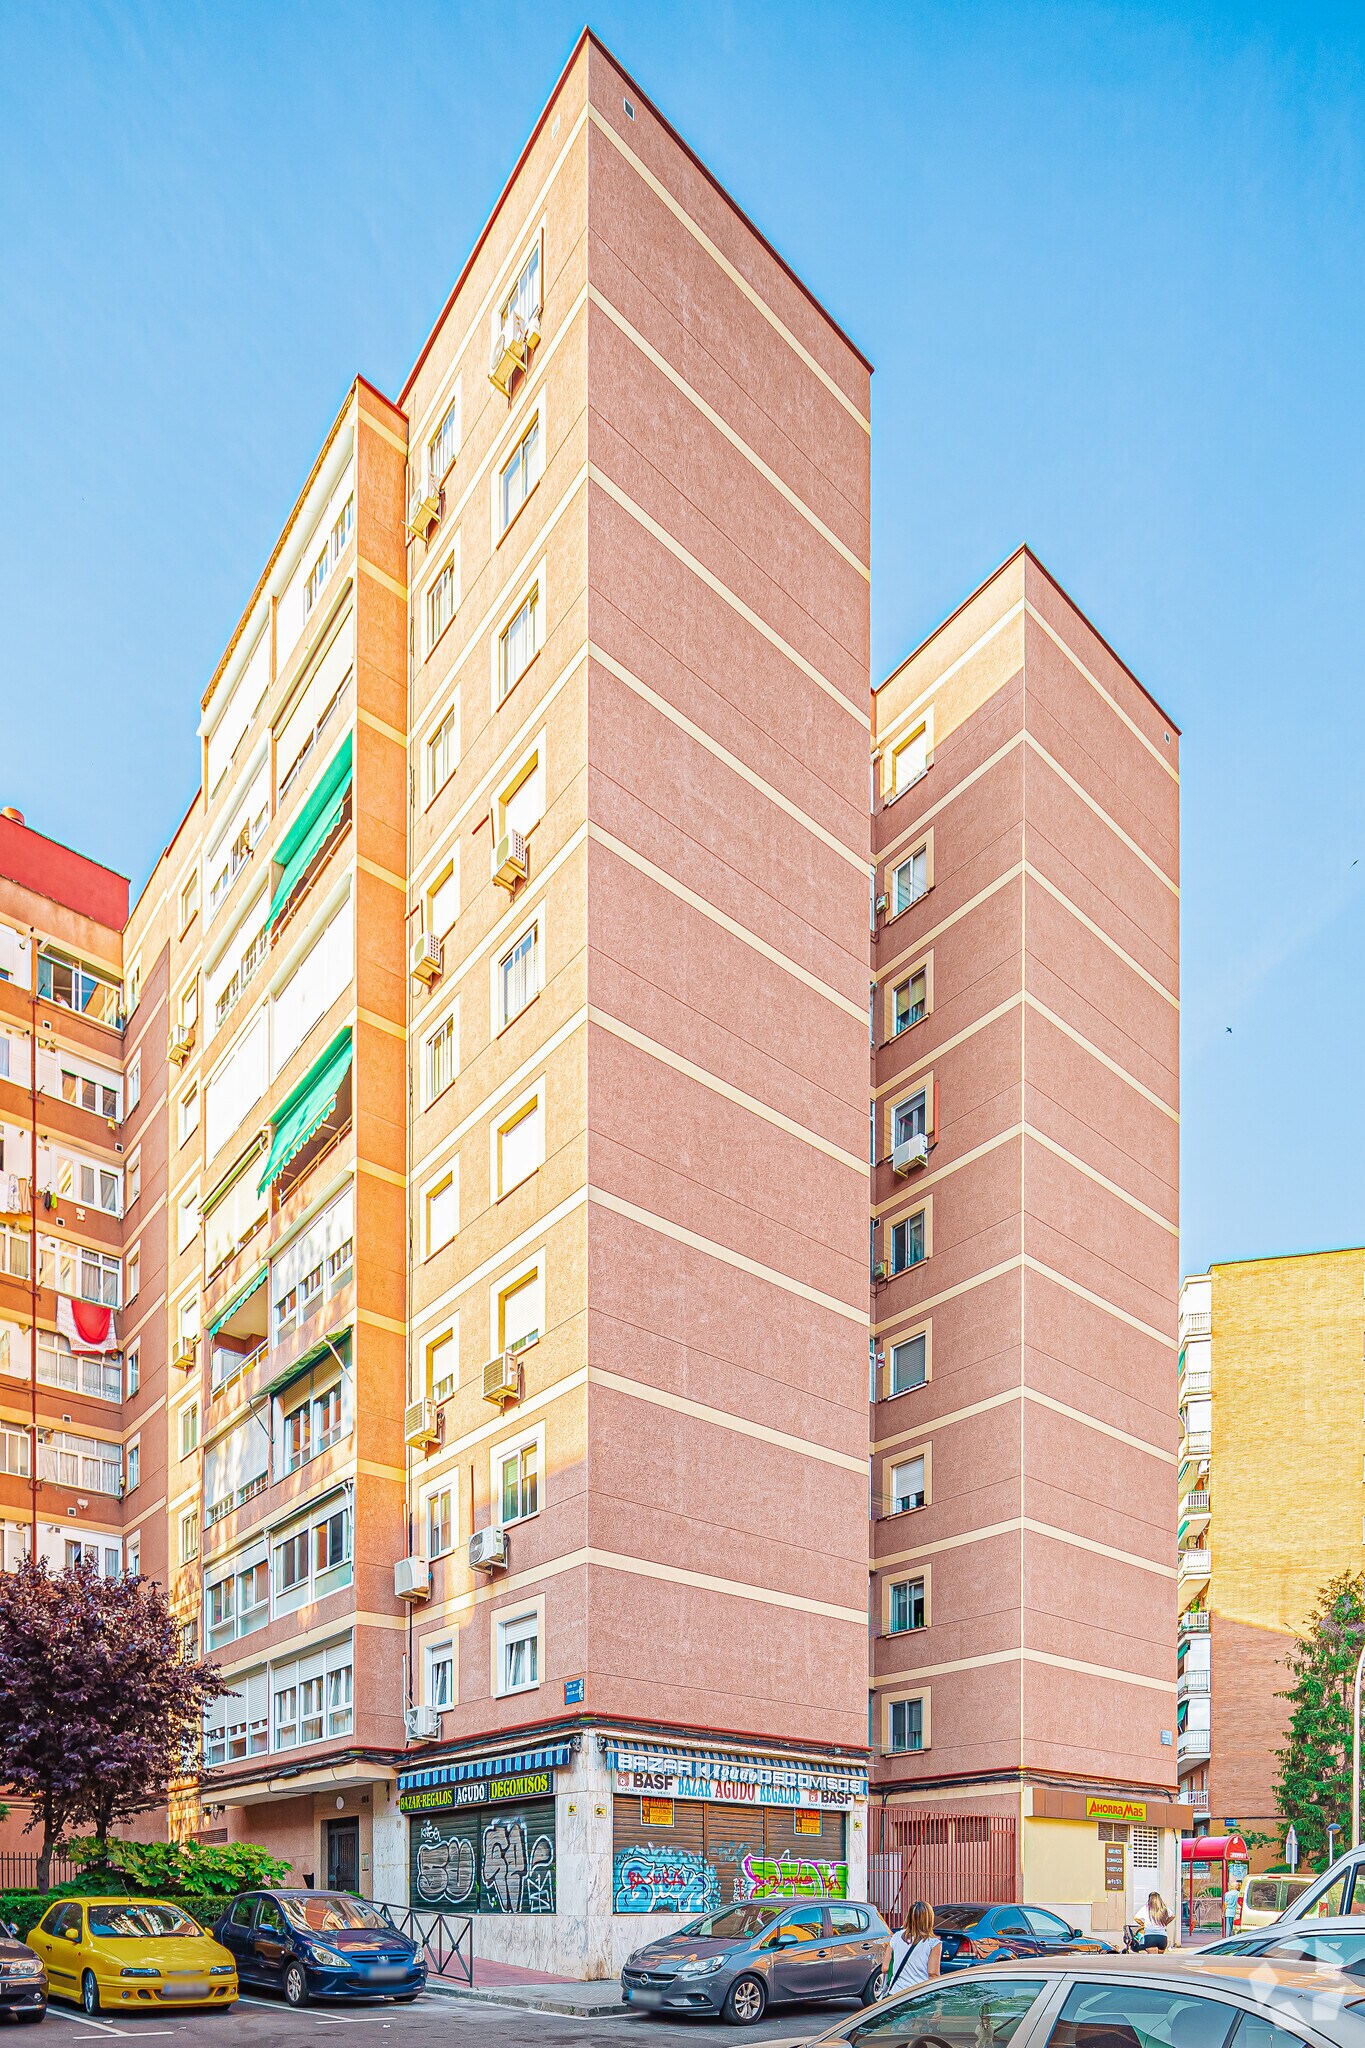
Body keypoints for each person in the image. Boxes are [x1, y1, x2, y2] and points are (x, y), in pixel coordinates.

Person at [886, 1900, 942, 1993]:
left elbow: (885, 1967)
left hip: (896, 1994)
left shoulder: (896, 1936)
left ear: (909, 1917)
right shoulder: (933, 1943)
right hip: (917, 1995)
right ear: (929, 1919)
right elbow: (933, 1974)